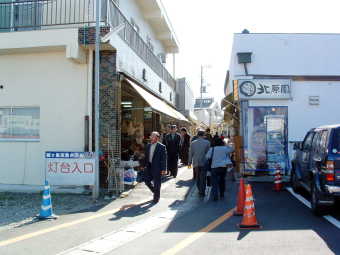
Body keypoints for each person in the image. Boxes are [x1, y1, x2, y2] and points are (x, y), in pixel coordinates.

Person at [144, 131, 167, 204]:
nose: (151, 137)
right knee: (147, 181)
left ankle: (156, 198)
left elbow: (164, 158)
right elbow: (146, 157)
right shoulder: (148, 145)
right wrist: (143, 165)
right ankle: (155, 191)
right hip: (149, 166)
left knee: (157, 183)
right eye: (151, 136)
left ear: (157, 138)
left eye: (153, 136)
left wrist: (164, 169)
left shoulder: (162, 147)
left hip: (157, 167)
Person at [188, 130, 210, 197]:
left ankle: (199, 190)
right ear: (203, 135)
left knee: (197, 177)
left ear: (197, 135)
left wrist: (189, 162)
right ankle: (202, 191)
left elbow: (190, 153)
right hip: (204, 162)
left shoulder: (193, 143)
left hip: (196, 163)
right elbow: (208, 153)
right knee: (203, 177)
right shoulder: (207, 142)